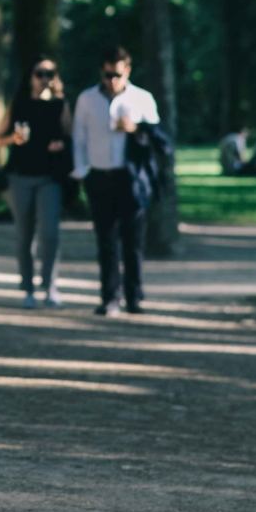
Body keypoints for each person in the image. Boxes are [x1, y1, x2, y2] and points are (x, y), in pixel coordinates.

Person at [71, 47, 161, 316]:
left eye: (118, 75)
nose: (112, 81)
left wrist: (136, 128)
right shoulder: (87, 99)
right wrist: (80, 172)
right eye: (108, 74)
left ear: (127, 72)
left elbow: (158, 137)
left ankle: (135, 296)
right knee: (106, 240)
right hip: (99, 175)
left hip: (130, 177)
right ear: (102, 71)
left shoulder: (142, 99)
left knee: (132, 240)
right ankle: (110, 297)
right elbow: (79, 138)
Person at [0, 58, 70, 308]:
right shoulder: (18, 103)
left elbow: (72, 137)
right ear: (30, 76)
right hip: (20, 176)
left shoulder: (60, 105)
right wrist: (13, 140)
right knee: (24, 234)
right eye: (39, 72)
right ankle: (27, 288)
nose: (44, 77)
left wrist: (62, 146)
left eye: (50, 72)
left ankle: (50, 286)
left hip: (50, 177)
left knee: (50, 233)